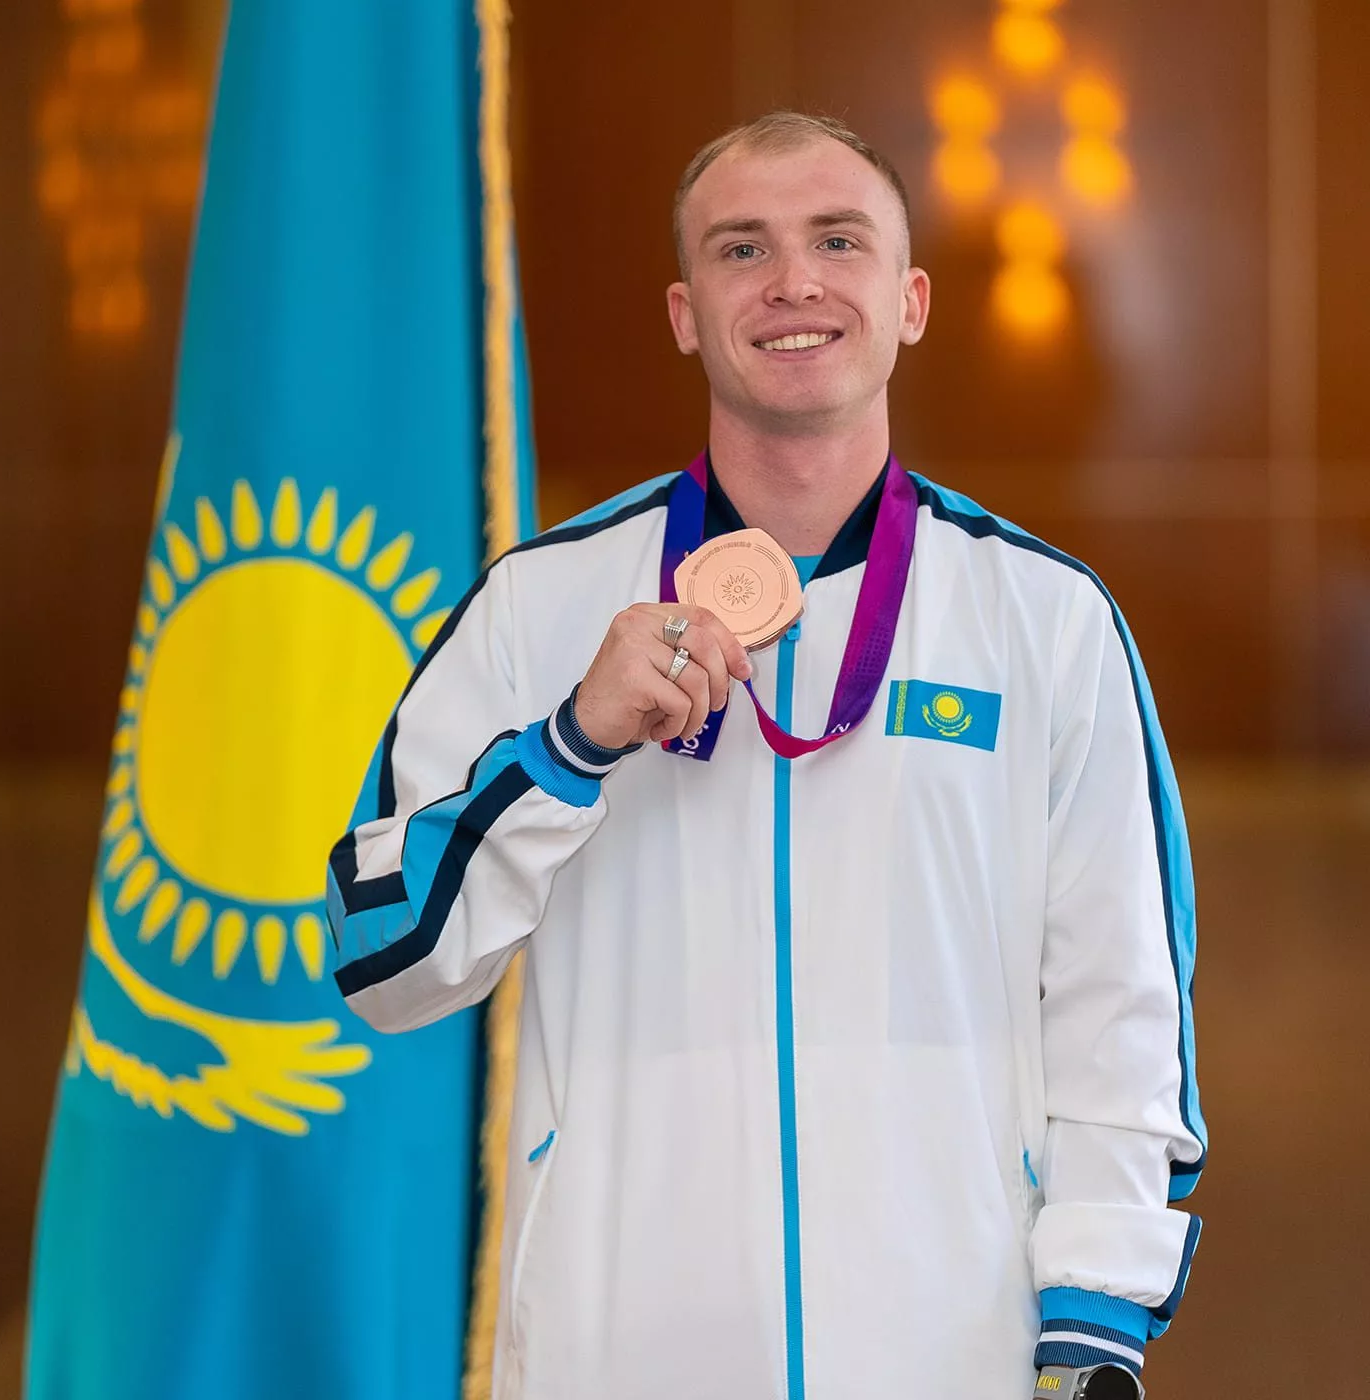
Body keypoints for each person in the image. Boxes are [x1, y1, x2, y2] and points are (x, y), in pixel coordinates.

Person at [326, 112, 1205, 1400]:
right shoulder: (538, 605)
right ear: (686, 316)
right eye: (743, 249)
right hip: (619, 1350)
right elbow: (381, 957)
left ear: (909, 302)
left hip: (951, 1348)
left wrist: (1095, 1319)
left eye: (838, 242)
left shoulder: (1045, 619)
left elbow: (1121, 1000)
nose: (794, 282)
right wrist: (567, 748)